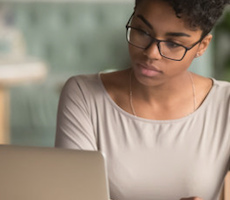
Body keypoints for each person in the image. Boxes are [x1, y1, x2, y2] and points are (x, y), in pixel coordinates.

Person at [55, 0, 230, 200]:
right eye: (143, 32)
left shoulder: (225, 104)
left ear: (202, 46)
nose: (151, 53)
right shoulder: (84, 96)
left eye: (173, 44)